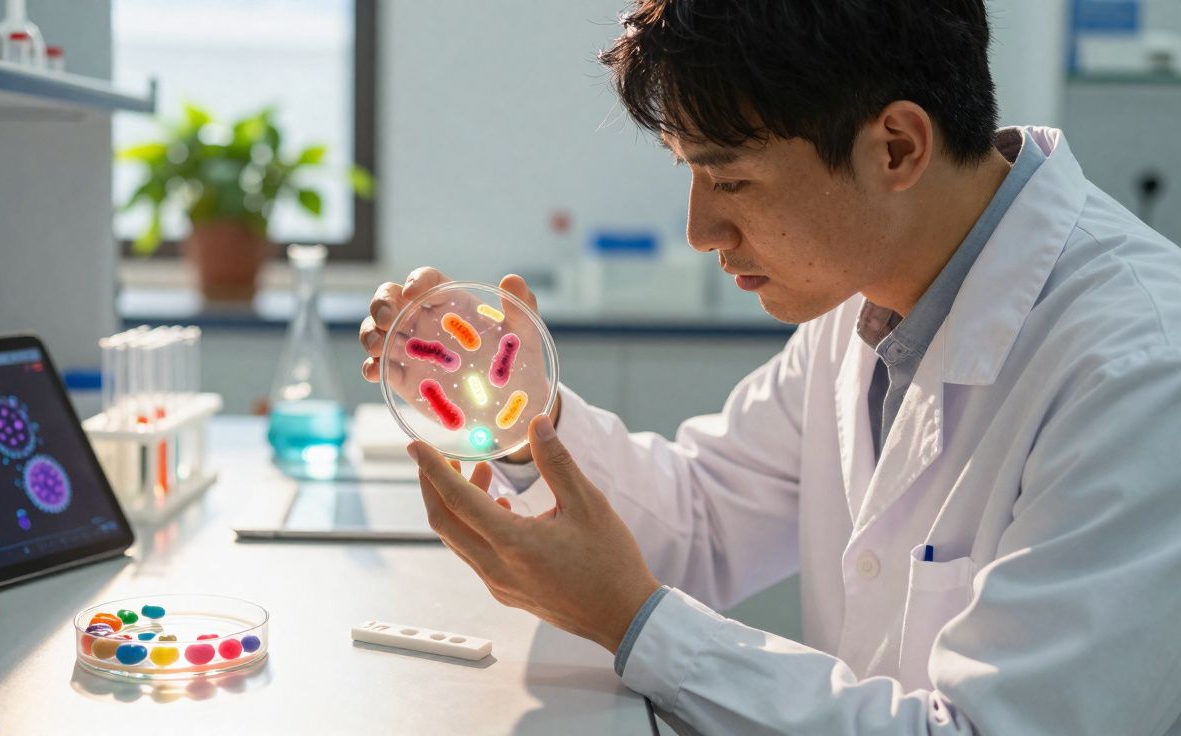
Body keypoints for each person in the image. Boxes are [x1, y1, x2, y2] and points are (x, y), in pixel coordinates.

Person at [358, 1, 1181, 732]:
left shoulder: (1140, 372)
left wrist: (636, 623)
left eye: (731, 178)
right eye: (690, 172)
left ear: (896, 148)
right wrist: (514, 407)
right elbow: (701, 519)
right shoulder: (875, 297)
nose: (700, 229)